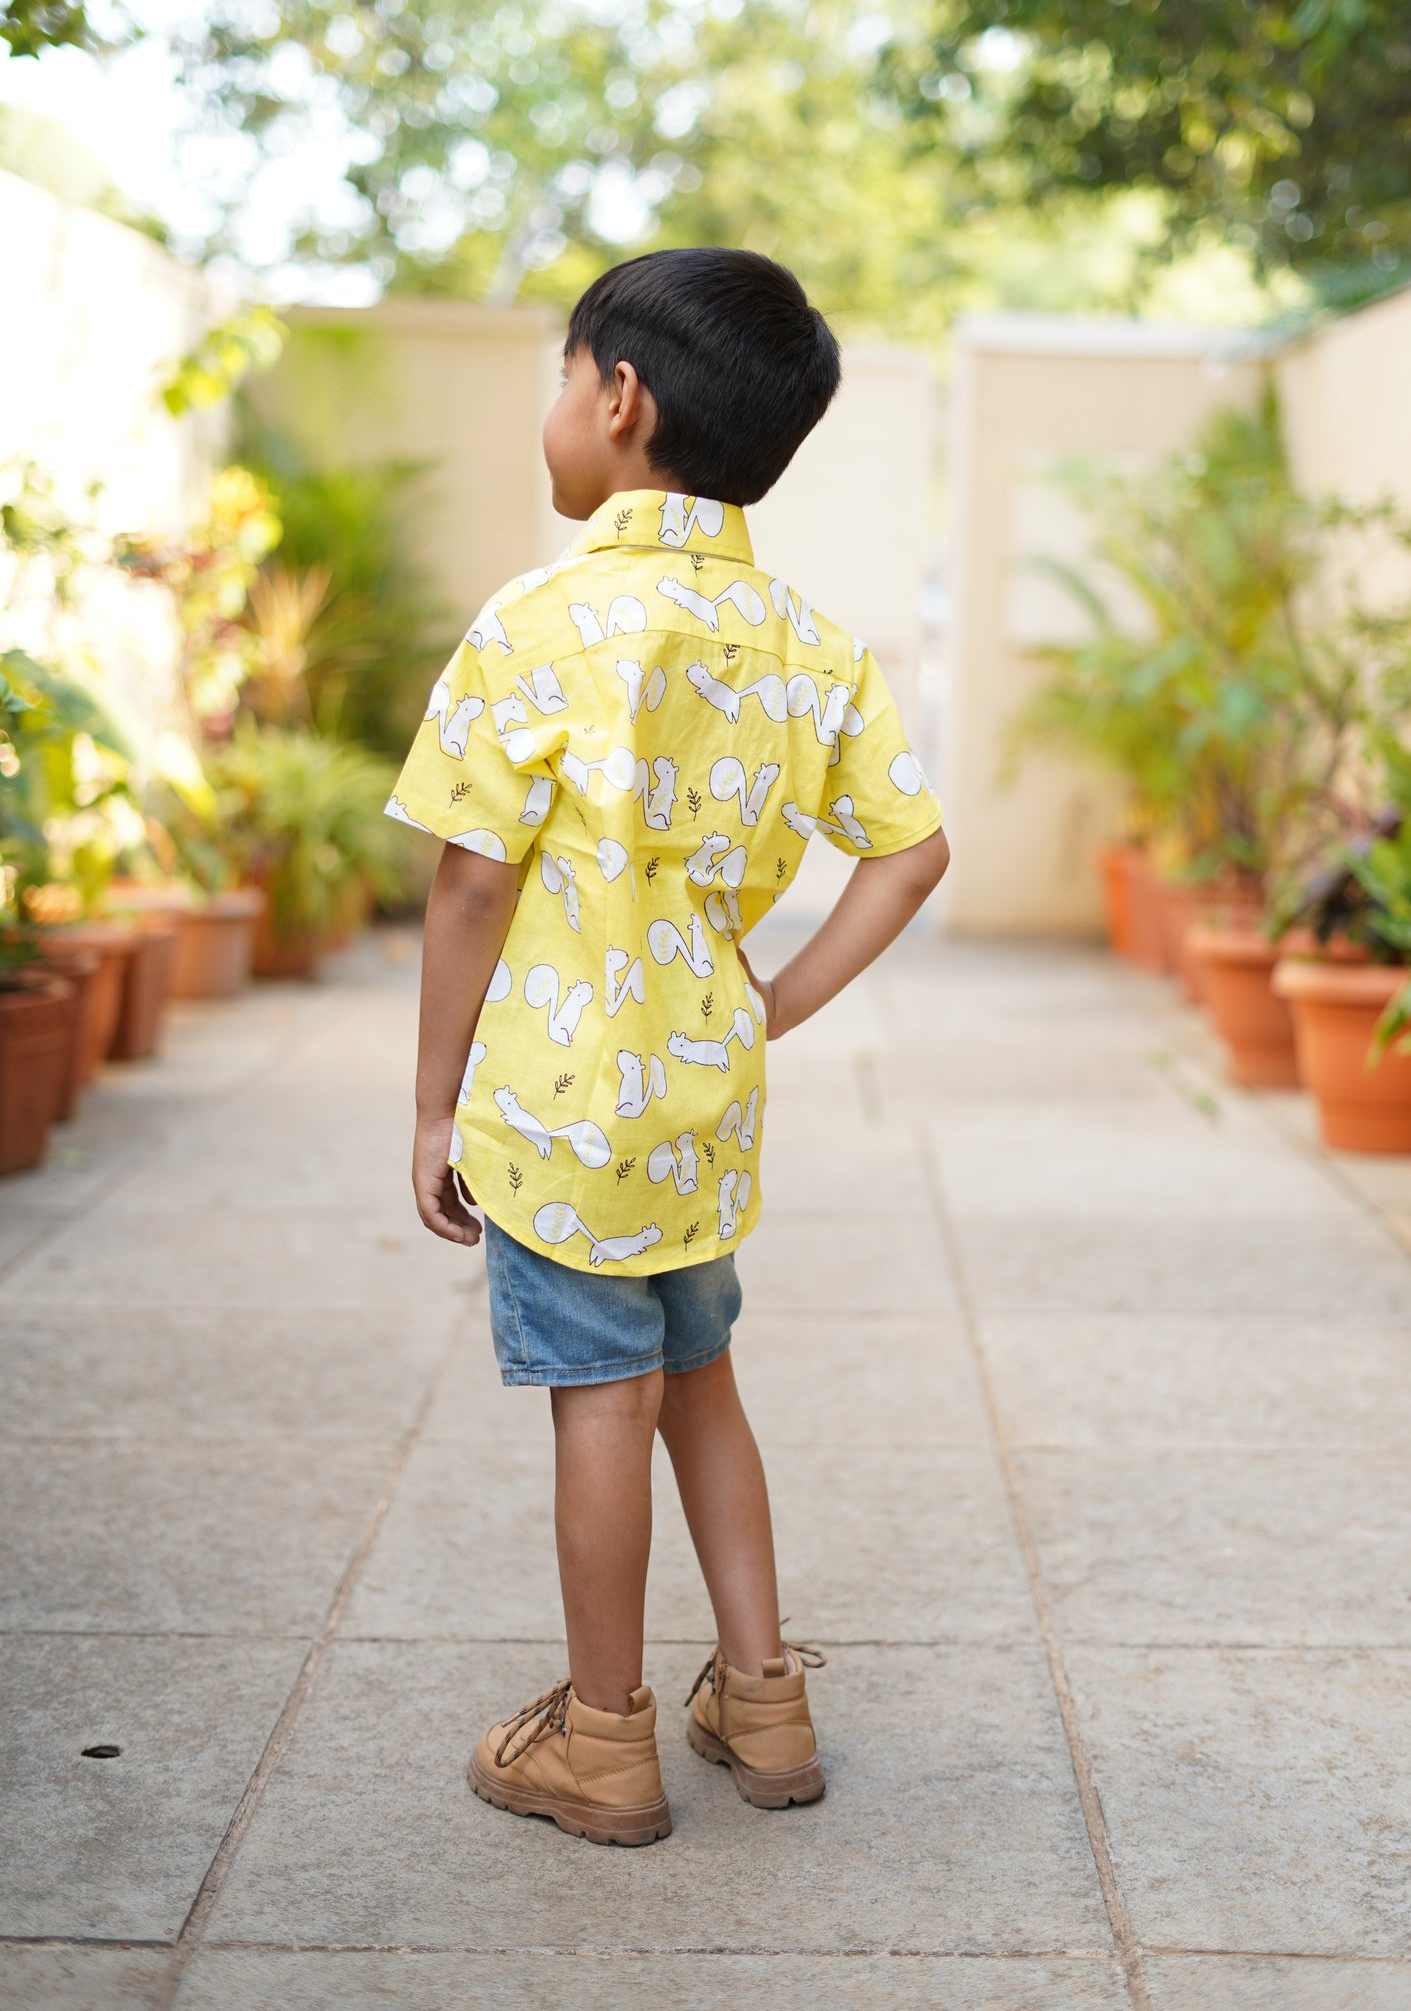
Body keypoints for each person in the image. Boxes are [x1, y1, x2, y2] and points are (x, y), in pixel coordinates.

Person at [390, 247, 948, 1847]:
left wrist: (433, 1104)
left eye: (561, 382)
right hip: (705, 1103)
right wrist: (772, 1004)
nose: (554, 414)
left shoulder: (537, 622)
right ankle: (763, 1701)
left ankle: (602, 1737)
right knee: (698, 1376)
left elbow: (471, 882)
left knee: (596, 1399)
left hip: (562, 1119)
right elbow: (908, 856)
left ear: (618, 399)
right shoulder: (805, 640)